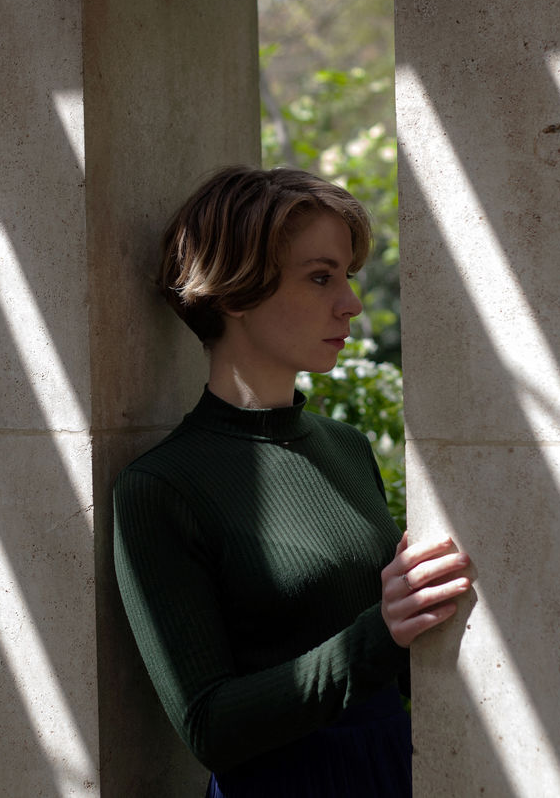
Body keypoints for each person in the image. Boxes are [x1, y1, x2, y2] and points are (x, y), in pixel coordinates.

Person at [112, 165, 473, 797]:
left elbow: (405, 665)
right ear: (234, 292)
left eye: (347, 276)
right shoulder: (162, 487)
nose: (351, 303)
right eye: (320, 277)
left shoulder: (346, 447)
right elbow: (208, 726)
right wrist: (381, 632)